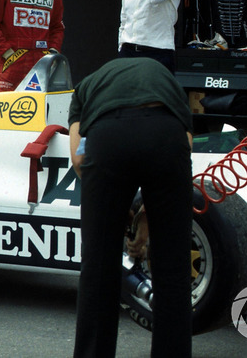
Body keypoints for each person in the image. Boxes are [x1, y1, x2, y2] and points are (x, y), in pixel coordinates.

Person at [68, 57, 193, 358]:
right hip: (165, 132)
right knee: (173, 267)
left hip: (109, 135)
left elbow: (79, 159)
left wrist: (109, 206)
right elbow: (184, 144)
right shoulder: (169, 84)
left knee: (98, 266)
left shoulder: (84, 90)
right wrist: (147, 215)